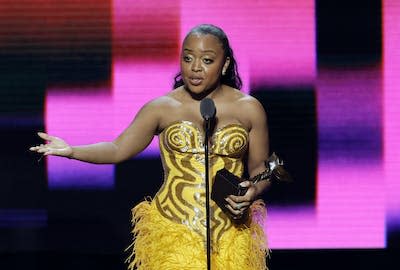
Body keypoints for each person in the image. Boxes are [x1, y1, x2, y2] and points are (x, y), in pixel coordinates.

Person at [30, 24, 272, 270]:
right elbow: (117, 149)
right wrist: (72, 151)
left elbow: (262, 169)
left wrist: (253, 189)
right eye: (187, 58)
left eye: (207, 60)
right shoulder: (161, 107)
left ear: (225, 63)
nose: (195, 67)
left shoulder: (249, 109)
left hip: (231, 234)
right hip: (174, 232)